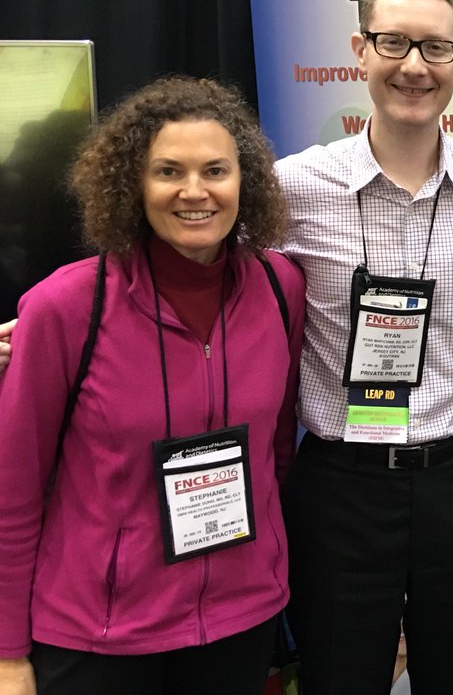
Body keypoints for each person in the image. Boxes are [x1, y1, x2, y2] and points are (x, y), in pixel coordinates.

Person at [0, 77, 306, 695]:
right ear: (132, 186)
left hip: (239, 622)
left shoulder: (281, 288)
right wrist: (8, 654)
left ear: (244, 182)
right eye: (169, 171)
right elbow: (14, 490)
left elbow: (274, 451)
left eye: (215, 170)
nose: (194, 192)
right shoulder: (65, 305)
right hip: (100, 636)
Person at [276, 0, 453, 694]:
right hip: (341, 485)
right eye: (394, 43)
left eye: (435, 48)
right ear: (360, 49)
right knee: (337, 677)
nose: (414, 65)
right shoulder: (293, 187)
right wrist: (42, 323)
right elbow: (192, 264)